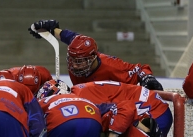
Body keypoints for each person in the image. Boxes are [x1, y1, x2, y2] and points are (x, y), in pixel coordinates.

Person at [28, 20, 163, 90]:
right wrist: (51, 29)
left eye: (80, 61)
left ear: (93, 58)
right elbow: (70, 37)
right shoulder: (80, 49)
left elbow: (139, 69)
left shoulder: (112, 67)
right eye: (72, 60)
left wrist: (148, 77)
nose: (75, 65)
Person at [41, 80, 172, 137]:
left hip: (153, 110)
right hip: (143, 108)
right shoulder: (79, 96)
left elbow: (127, 109)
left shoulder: (83, 99)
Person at [37, 80, 102, 137]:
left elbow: (32, 123)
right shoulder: (83, 98)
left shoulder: (42, 102)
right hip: (93, 119)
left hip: (62, 123)